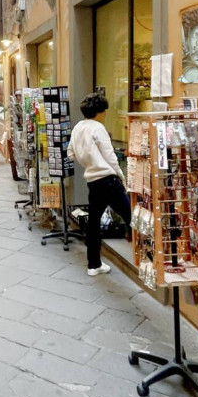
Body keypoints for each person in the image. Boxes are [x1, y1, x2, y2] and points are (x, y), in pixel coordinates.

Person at [67, 91, 131, 277]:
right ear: (100, 111)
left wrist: (88, 161)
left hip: (93, 182)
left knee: (93, 223)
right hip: (108, 180)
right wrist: (121, 176)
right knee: (131, 216)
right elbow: (110, 156)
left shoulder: (78, 127)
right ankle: (148, 258)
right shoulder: (98, 128)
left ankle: (93, 264)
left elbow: (71, 153)